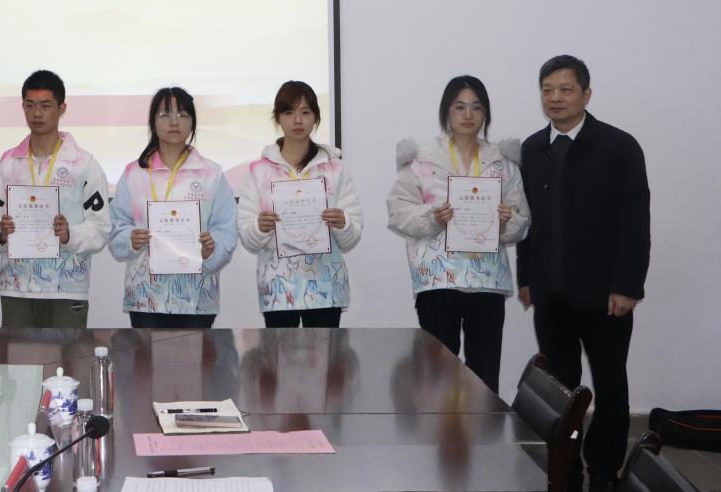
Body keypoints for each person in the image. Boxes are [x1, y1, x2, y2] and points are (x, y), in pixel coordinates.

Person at [517, 55, 650, 491]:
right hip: (550, 296)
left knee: (610, 387)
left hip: (605, 296)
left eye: (565, 89)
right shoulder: (532, 149)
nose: (555, 98)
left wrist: (627, 286)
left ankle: (605, 471)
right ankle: (566, 468)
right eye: (547, 90)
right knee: (561, 392)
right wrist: (525, 279)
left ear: (586, 94)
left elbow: (635, 222)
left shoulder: (618, 146)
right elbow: (526, 222)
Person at [386, 75, 529, 393]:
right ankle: (439, 428)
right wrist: (432, 217)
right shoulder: (422, 160)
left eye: (477, 108)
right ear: (446, 111)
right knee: (436, 375)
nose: (468, 115)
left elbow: (522, 218)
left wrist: (506, 223)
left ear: (486, 113)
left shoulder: (502, 163)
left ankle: (484, 427)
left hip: (486, 282)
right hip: (438, 281)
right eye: (459, 107)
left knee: (484, 373)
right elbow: (397, 212)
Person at [0, 70, 110, 328]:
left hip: (67, 288)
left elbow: (101, 227)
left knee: (68, 354)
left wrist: (70, 235)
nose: (36, 113)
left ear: (62, 108)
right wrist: (1, 235)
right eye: (30, 105)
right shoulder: (6, 165)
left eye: (45, 106)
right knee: (17, 355)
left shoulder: (84, 165)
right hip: (17, 288)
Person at [237, 80, 364, 328]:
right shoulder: (259, 171)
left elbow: (352, 237)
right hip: (278, 289)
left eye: (305, 112)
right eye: (289, 112)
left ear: (316, 117)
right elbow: (247, 237)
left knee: (326, 352)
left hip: (326, 288)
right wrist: (260, 227)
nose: (297, 120)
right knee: (280, 354)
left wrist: (343, 223)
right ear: (278, 118)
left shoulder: (336, 169)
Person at [108, 86, 237, 329]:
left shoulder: (211, 174)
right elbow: (117, 224)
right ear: (153, 122)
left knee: (195, 355)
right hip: (145, 297)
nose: (174, 121)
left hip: (196, 297)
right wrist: (130, 239)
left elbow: (226, 227)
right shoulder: (135, 173)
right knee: (144, 356)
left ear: (193, 122)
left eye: (183, 115)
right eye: (165, 114)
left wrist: (210, 250)